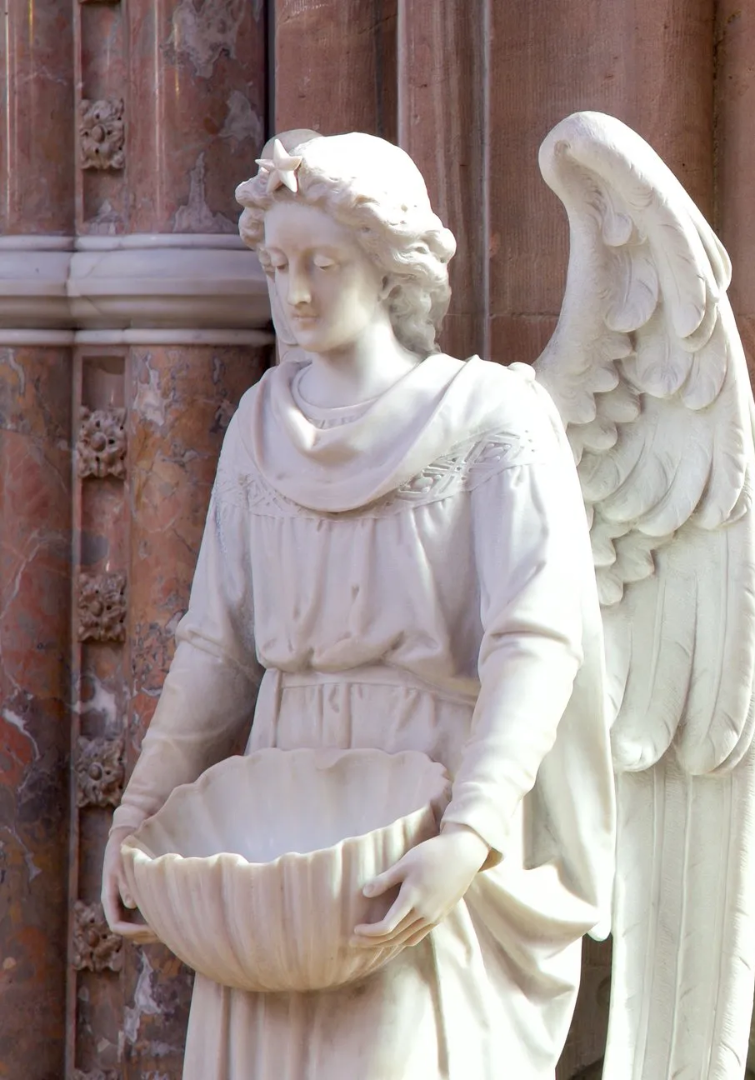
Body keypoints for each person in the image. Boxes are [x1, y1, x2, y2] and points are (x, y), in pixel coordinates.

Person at [100, 132, 616, 1080]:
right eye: (278, 264)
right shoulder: (259, 428)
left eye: (322, 264)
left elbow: (534, 642)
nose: (293, 293)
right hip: (270, 828)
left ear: (388, 268)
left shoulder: (491, 421)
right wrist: (138, 815)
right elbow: (217, 647)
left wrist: (472, 832)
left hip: (418, 815)